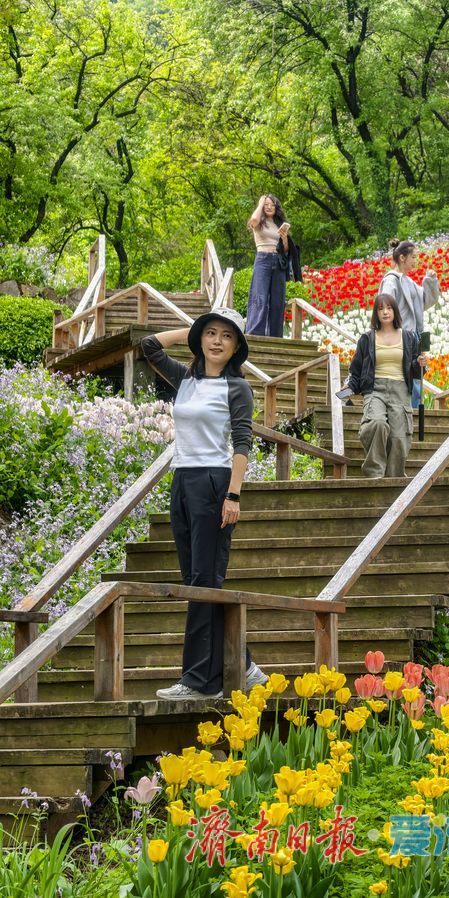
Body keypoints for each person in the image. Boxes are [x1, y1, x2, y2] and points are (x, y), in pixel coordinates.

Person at [141, 308, 268, 699]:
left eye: (226, 337)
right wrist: (191, 331)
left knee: (203, 582)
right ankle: (243, 664)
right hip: (182, 480)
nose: (216, 341)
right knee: (197, 581)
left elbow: (243, 443)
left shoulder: (236, 388)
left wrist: (233, 493)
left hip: (215, 483)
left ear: (236, 348)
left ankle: (200, 682)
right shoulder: (186, 379)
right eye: (210, 334)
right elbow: (148, 346)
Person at [347, 293, 427, 478]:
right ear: (376, 313)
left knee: (399, 438)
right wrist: (349, 387)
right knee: (376, 423)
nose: (385, 312)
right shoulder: (367, 339)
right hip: (375, 389)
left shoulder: (408, 337)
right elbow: (356, 369)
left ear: (395, 311)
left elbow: (416, 372)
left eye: (389, 308)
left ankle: (394, 478)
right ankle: (374, 474)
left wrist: (420, 364)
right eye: (380, 308)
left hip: (400, 389)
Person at [378, 239, 440, 408]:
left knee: (415, 382)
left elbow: (425, 301)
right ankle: (405, 418)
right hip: (399, 339)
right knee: (405, 382)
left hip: (413, 340)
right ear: (402, 258)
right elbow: (385, 309)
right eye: (413, 257)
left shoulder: (408, 281)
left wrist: (430, 281)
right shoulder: (391, 280)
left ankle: (411, 420)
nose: (415, 261)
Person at [246, 194, 291, 337]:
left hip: (278, 261)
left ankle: (275, 336)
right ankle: (255, 334)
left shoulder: (278, 223)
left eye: (272, 204)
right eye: (266, 205)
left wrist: (284, 238)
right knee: (260, 297)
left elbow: (285, 250)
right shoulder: (259, 222)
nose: (269, 207)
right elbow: (253, 220)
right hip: (263, 259)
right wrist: (260, 203)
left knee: (278, 300)